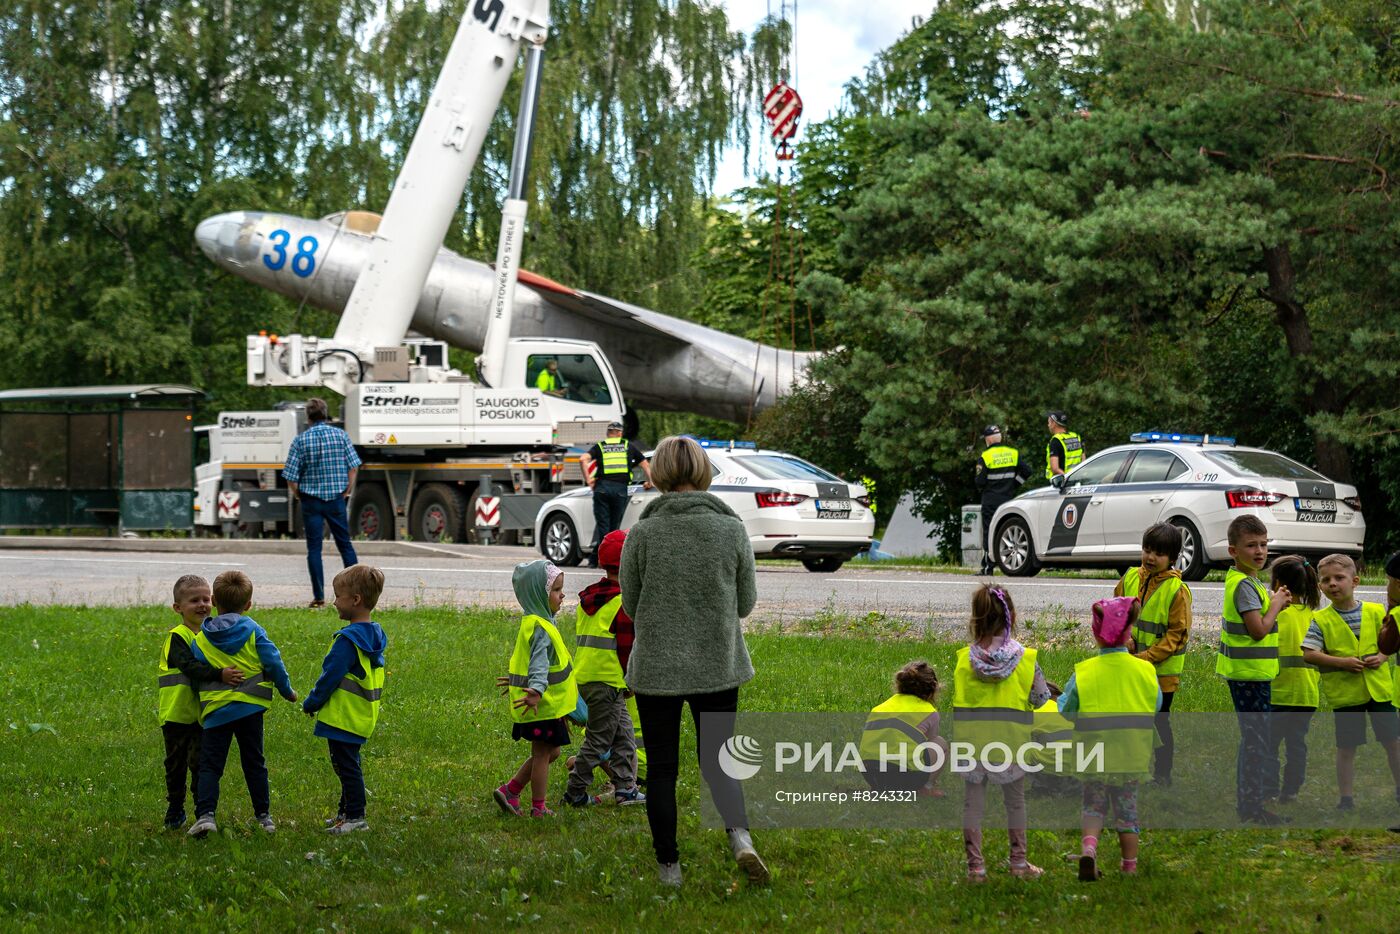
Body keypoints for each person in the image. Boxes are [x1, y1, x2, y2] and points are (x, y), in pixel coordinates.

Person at [619, 435, 767, 889]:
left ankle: (669, 867)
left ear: (658, 473)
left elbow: (630, 603)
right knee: (720, 760)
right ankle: (739, 836)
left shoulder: (643, 532)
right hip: (717, 667)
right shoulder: (731, 529)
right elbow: (745, 604)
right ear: (704, 472)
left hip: (657, 669)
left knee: (662, 769)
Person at [952, 584, 1052, 882]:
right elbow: (1041, 699)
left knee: (973, 806)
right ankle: (1018, 863)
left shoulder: (963, 660)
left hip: (972, 746)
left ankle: (976, 868)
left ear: (975, 618)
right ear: (1011, 616)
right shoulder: (1025, 659)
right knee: (1015, 803)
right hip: (1011, 744)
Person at [187, 571, 298, 838]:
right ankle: (264, 817)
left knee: (210, 766)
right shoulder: (253, 630)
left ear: (213, 601)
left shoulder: (200, 639)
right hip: (250, 708)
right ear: (248, 604)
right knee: (254, 762)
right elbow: (273, 662)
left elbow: (196, 676)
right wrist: (287, 691)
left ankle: (205, 816)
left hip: (216, 712)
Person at [1059, 597, 1159, 881]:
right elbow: (1155, 703)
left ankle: (1089, 852)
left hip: (1095, 756)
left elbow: (1067, 710)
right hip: (1130, 756)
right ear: (1129, 633)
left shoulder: (1085, 672)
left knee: (1093, 807)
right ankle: (1129, 866)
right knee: (1127, 814)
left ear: (1095, 633)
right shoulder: (1145, 671)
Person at [1300, 554, 1400, 812]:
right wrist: (1341, 662)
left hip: (1380, 693)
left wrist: (1382, 655)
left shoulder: (1377, 612)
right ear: (1320, 587)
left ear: (1355, 581)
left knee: (1394, 742)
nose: (1332, 584)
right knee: (1346, 747)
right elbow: (1309, 653)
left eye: (1339, 578)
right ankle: (1346, 799)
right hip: (1346, 697)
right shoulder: (1321, 620)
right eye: (1326, 580)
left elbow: (1392, 642)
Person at [301, 565, 388, 835]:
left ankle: (355, 817)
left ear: (355, 600)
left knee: (346, 766)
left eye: (338, 596)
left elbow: (330, 677)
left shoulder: (347, 641)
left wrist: (311, 702)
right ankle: (344, 813)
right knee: (348, 763)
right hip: (361, 715)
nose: (335, 601)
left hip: (343, 717)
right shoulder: (374, 635)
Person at [1214, 515, 1289, 824]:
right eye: (1251, 546)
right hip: (1248, 676)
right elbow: (1257, 630)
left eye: (1263, 544)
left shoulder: (1249, 581)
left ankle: (1251, 804)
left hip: (1253, 674)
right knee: (1256, 741)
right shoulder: (1245, 585)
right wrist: (1276, 604)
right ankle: (1251, 808)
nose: (1259, 551)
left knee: (1254, 738)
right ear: (1233, 551)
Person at [564, 529, 646, 808]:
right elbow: (626, 648)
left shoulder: (588, 599)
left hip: (588, 678)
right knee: (598, 742)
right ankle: (574, 793)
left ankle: (626, 789)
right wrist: (632, 679)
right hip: (608, 682)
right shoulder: (622, 602)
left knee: (624, 737)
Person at [158, 575, 244, 830]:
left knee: (200, 765)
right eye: (194, 600)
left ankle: (202, 814)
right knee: (175, 766)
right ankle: (175, 811)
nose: (202, 605)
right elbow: (189, 666)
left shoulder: (211, 635)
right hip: (176, 715)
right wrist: (220, 674)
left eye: (206, 599)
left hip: (203, 715)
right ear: (178, 608)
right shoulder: (178, 636)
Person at [494, 560, 579, 819]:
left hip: (537, 700)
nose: (562, 594)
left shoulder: (534, 621)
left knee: (552, 751)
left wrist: (519, 683)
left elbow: (528, 660)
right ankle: (538, 808)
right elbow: (539, 662)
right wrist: (536, 690)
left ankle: (511, 789)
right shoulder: (541, 627)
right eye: (555, 590)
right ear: (538, 595)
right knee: (542, 754)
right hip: (540, 704)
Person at [1114, 522, 1191, 785]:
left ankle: (1162, 774)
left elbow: (1177, 635)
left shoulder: (1176, 591)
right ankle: (1130, 768)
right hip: (1130, 665)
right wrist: (1124, 638)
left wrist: (1145, 658)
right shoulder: (1130, 577)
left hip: (1161, 674)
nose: (1150, 557)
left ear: (1172, 558)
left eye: (1158, 553)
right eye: (1147, 550)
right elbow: (1116, 611)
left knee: (1158, 724)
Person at [282, 397, 361, 609]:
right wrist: (347, 490)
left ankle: (318, 597)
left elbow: (290, 475)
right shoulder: (341, 436)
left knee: (314, 549)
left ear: (308, 417)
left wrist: (298, 494)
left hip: (311, 501)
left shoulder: (300, 441)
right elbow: (353, 467)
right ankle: (357, 592)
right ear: (326, 415)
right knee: (345, 544)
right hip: (336, 499)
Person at [1268, 556, 1321, 804]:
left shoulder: (1274, 615)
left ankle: (1269, 788)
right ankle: (1291, 790)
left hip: (1276, 695)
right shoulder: (1314, 616)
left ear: (1278, 583)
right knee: (1296, 745)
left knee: (1269, 745)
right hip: (1306, 696)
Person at [859, 660, 946, 795]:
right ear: (933, 688)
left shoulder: (880, 707)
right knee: (940, 743)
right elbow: (930, 743)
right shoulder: (929, 712)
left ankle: (880, 788)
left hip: (870, 773)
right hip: (903, 777)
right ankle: (926, 788)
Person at [580, 421, 652, 567]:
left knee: (603, 527)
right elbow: (645, 464)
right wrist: (649, 481)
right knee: (613, 528)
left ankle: (596, 560)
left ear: (608, 433)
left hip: (602, 488)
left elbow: (583, 459)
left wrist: (588, 479)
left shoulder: (601, 446)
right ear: (620, 433)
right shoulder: (627, 446)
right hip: (620, 490)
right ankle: (604, 560)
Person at [975, 425, 1030, 574]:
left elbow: (979, 482)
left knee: (989, 532)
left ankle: (988, 567)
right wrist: (1014, 484)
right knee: (1007, 532)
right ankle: (1011, 561)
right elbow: (1027, 471)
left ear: (988, 440)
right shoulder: (1012, 453)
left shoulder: (985, 456)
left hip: (991, 500)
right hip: (1008, 499)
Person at [1044, 411, 1084, 480]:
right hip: (1078, 479)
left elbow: (1055, 468)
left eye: (1049, 422)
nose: (1048, 425)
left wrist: (1067, 479)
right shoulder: (1076, 437)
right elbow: (1084, 461)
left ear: (1054, 423)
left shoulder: (1056, 441)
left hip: (1062, 483)